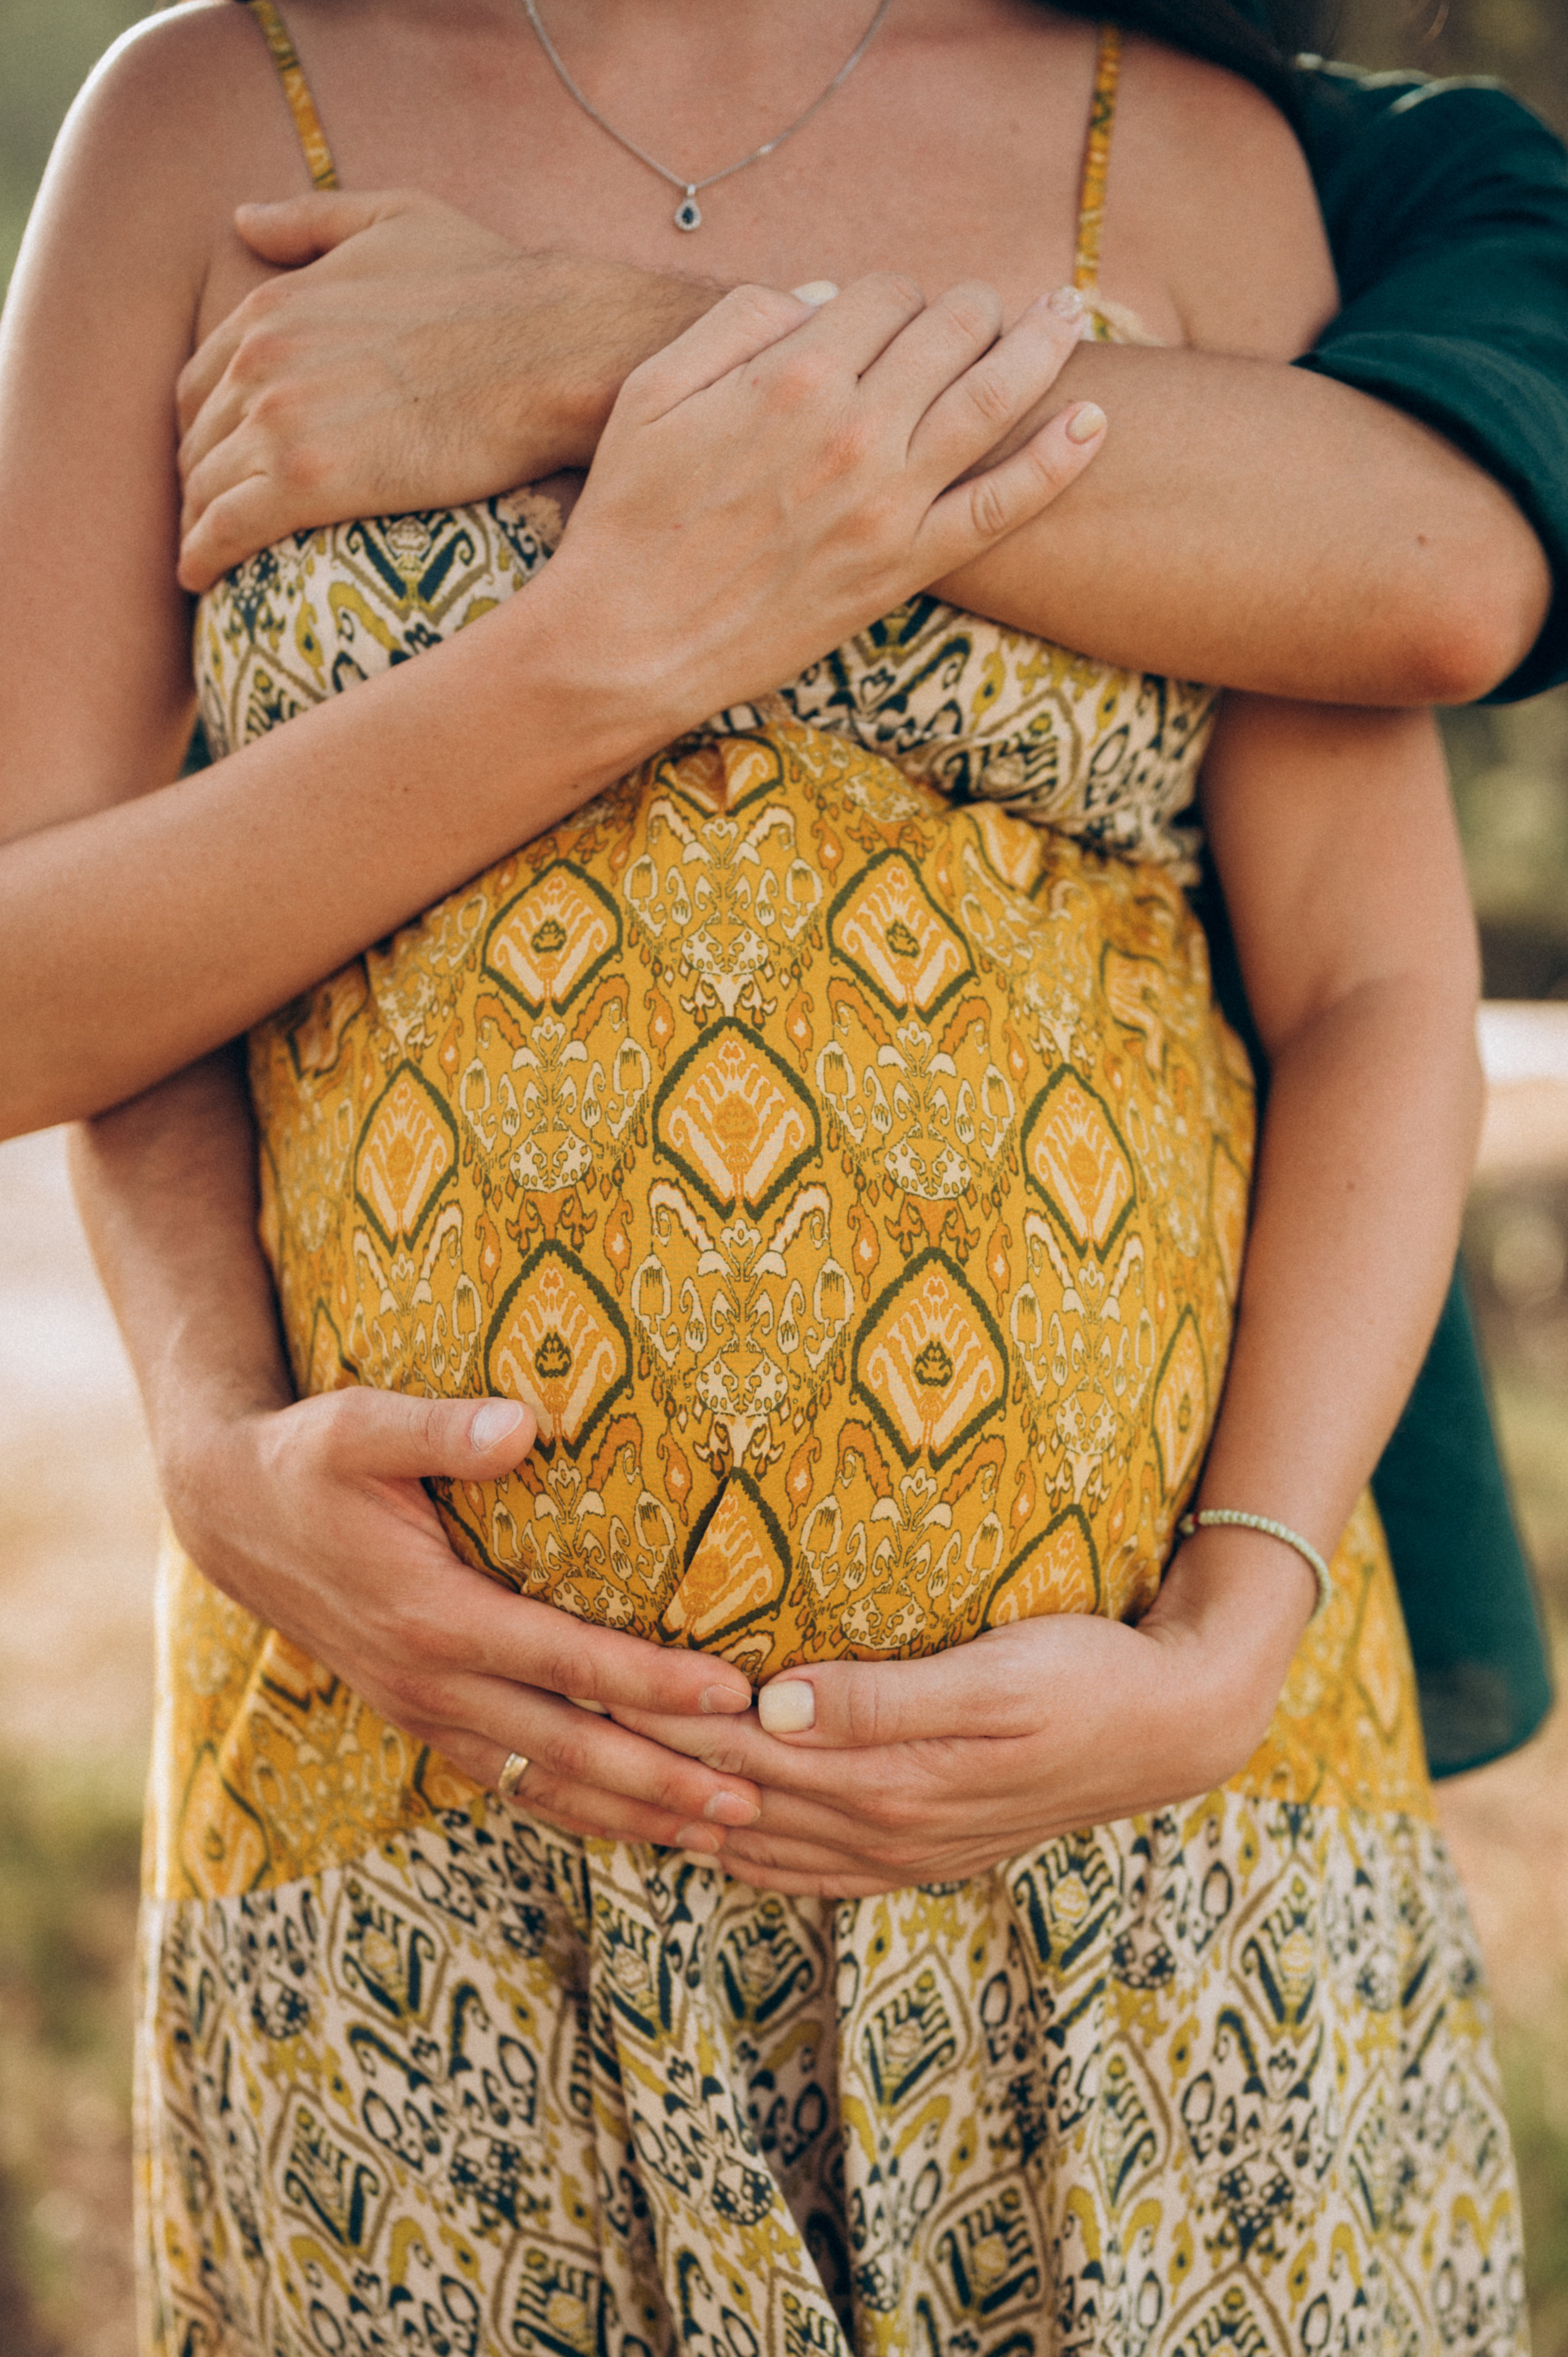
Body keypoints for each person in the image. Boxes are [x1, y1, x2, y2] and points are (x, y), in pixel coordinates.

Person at [0, 0, 1541, 2345]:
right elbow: (48, 979)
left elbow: (1370, 990)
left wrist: (1238, 1637)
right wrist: (609, 649)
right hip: (437, 1853)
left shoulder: (1191, 154)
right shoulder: (212, 127)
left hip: (1139, 1849)